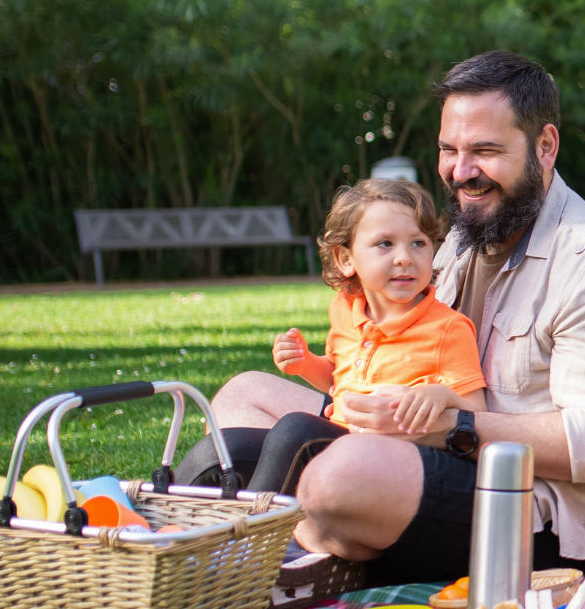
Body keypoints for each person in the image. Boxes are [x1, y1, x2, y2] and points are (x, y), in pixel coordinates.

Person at [188, 51, 585, 589]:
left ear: (545, 146)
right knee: (242, 398)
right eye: (450, 150)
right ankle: (210, 542)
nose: (461, 172)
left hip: (532, 514)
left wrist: (452, 427)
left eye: (485, 151)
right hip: (419, 449)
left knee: (337, 476)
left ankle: (272, 562)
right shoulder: (466, 238)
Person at [174, 179, 487, 495]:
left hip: (394, 463)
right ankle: (167, 513)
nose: (405, 257)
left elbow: (479, 412)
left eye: (418, 242)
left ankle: (250, 528)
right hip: (340, 438)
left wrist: (441, 396)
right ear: (346, 259)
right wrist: (306, 364)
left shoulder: (447, 328)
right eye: (385, 244)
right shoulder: (345, 308)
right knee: (230, 444)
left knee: (296, 430)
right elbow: (340, 381)